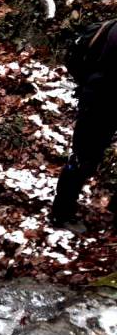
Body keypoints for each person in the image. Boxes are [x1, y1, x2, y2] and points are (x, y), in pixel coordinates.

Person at [50, 19, 117, 233]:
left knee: (84, 158)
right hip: (100, 103)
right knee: (82, 160)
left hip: (98, 99)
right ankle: (61, 214)